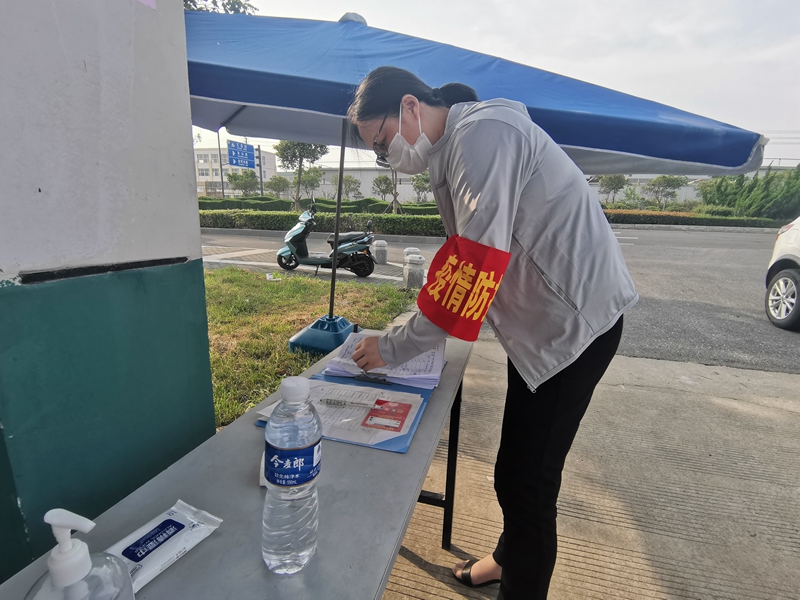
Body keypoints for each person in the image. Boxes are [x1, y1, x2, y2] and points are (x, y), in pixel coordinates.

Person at [348, 66, 638, 600]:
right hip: (543, 327)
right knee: (517, 468)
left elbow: (473, 274)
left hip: (575, 327)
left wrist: (391, 348)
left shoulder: (484, 134)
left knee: (527, 483)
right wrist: (412, 326)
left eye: (383, 143)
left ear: (409, 106)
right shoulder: (454, 148)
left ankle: (519, 582)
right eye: (380, 154)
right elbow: (461, 260)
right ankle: (508, 559)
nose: (389, 159)